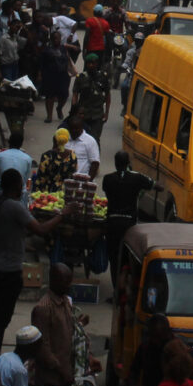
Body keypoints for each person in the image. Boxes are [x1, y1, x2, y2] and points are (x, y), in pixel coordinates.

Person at [0, 170, 62, 353]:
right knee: (2, 317)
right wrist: (62, 215)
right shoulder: (15, 207)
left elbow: (10, 227)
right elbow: (41, 230)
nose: (22, 188)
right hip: (9, 271)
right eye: (21, 185)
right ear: (15, 187)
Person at [32, 263, 82, 386]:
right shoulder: (43, 308)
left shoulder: (65, 302)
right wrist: (62, 371)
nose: (69, 285)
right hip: (52, 380)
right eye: (65, 281)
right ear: (54, 280)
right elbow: (42, 348)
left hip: (67, 377)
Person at [101, 151, 153, 286]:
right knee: (127, 257)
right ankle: (124, 288)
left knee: (113, 258)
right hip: (129, 225)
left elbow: (108, 191)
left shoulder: (107, 179)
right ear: (128, 163)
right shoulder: (137, 178)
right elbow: (155, 185)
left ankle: (115, 288)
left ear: (115, 163)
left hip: (112, 224)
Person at [0, 128, 34, 194]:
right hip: (19, 193)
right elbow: (25, 179)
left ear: (9, 141)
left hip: (1, 192)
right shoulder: (28, 159)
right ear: (21, 144)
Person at [62, 114, 102, 179]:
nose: (74, 131)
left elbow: (95, 163)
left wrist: (88, 180)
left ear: (81, 127)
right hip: (65, 180)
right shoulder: (64, 139)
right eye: (72, 128)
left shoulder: (90, 141)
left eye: (76, 129)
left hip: (81, 181)